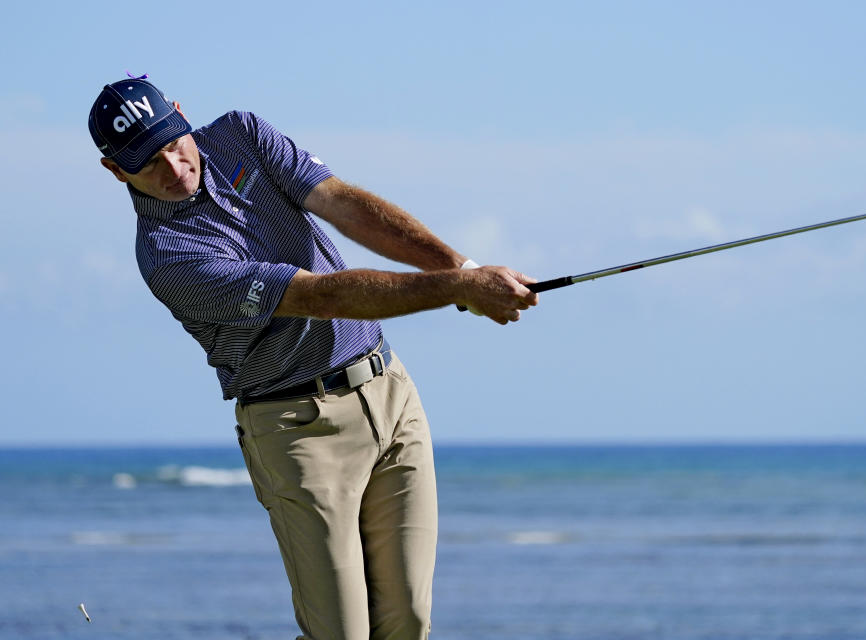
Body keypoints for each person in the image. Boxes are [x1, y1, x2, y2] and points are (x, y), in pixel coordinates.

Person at [88, 76, 537, 640]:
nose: (176, 169)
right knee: (341, 634)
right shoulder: (168, 257)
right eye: (148, 163)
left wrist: (463, 270)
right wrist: (454, 290)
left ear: (181, 113)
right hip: (297, 432)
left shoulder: (239, 135)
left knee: (408, 623)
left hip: (389, 395)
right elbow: (319, 296)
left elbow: (343, 205)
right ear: (114, 171)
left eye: (174, 143)